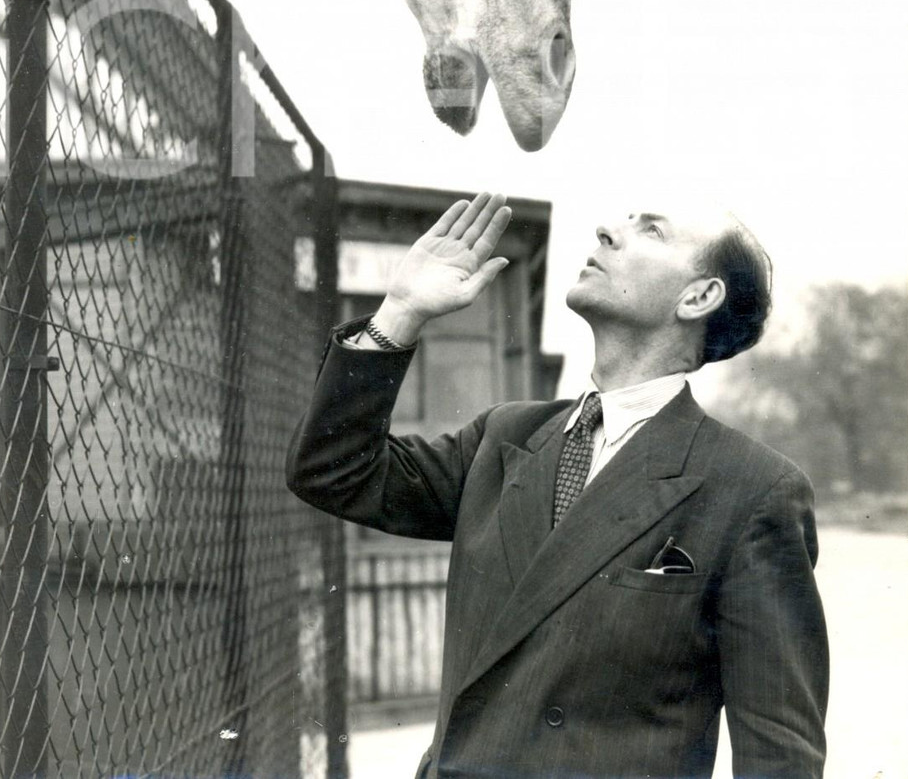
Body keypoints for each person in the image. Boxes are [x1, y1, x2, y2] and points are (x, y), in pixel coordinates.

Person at [286, 192, 829, 779]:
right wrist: (399, 312)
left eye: (651, 231)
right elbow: (332, 471)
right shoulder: (503, 437)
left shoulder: (753, 489)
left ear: (698, 297)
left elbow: (780, 754)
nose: (607, 230)